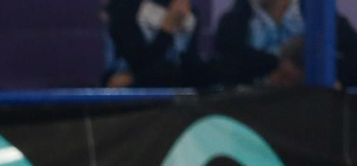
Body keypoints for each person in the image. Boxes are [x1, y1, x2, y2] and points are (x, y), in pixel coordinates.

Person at [215, 0, 357, 86]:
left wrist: (332, 77)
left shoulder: (322, 17)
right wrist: (275, 66)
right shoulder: (233, 21)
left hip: (310, 109)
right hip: (253, 111)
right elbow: (226, 65)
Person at [104, 0, 215, 89]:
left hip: (175, 85)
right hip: (138, 84)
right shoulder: (127, 8)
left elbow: (189, 62)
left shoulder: (190, 14)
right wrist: (167, 27)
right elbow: (140, 63)